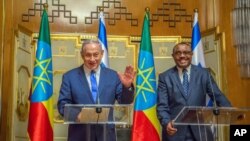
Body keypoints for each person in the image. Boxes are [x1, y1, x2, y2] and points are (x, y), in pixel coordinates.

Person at [57, 39, 135, 141]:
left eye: (96, 54)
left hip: (106, 135)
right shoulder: (70, 77)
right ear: (82, 55)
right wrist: (76, 114)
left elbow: (125, 101)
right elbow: (62, 104)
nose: (92, 59)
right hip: (80, 135)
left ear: (102, 54)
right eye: (88, 55)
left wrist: (127, 87)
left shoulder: (113, 76)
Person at [156, 42, 232, 141]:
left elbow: (217, 96)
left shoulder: (204, 74)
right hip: (174, 132)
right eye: (178, 53)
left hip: (201, 132)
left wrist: (231, 112)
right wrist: (166, 123)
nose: (182, 56)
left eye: (186, 52)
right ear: (173, 56)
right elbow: (162, 106)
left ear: (191, 54)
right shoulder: (165, 77)